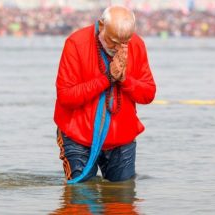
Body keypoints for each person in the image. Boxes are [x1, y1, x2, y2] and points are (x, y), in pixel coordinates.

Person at [53, 5, 156, 183]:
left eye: (124, 42)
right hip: (78, 136)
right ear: (101, 26)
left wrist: (124, 80)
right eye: (113, 41)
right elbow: (66, 97)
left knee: (123, 204)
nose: (118, 48)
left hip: (121, 139)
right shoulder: (76, 43)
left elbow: (148, 94)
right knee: (80, 201)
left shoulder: (137, 44)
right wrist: (107, 78)